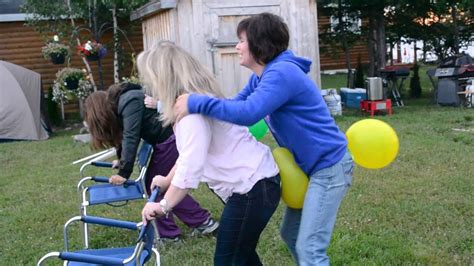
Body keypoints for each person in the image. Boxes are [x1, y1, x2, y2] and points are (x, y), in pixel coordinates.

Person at [173, 13, 354, 265]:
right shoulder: (262, 76)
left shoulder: (282, 74)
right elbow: (234, 106)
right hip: (309, 168)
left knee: (310, 247)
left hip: (329, 167)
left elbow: (248, 113)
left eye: (241, 40)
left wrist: (196, 102)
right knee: (291, 233)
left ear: (259, 43)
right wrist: (198, 110)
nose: (236, 46)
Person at [137, 41, 281, 265]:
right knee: (242, 255)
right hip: (255, 185)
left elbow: (191, 164)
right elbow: (189, 153)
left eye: (150, 77)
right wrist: (167, 180)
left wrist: (164, 205)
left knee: (228, 260)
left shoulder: (192, 113)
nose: (149, 84)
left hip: (253, 187)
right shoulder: (193, 101)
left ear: (163, 77)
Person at [84, 82, 219, 242]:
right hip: (165, 141)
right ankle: (201, 222)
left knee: (156, 185)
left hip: (171, 139)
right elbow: (124, 136)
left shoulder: (129, 101)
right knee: (160, 184)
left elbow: (131, 136)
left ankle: (176, 233)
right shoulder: (122, 104)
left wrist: (123, 173)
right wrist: (121, 161)